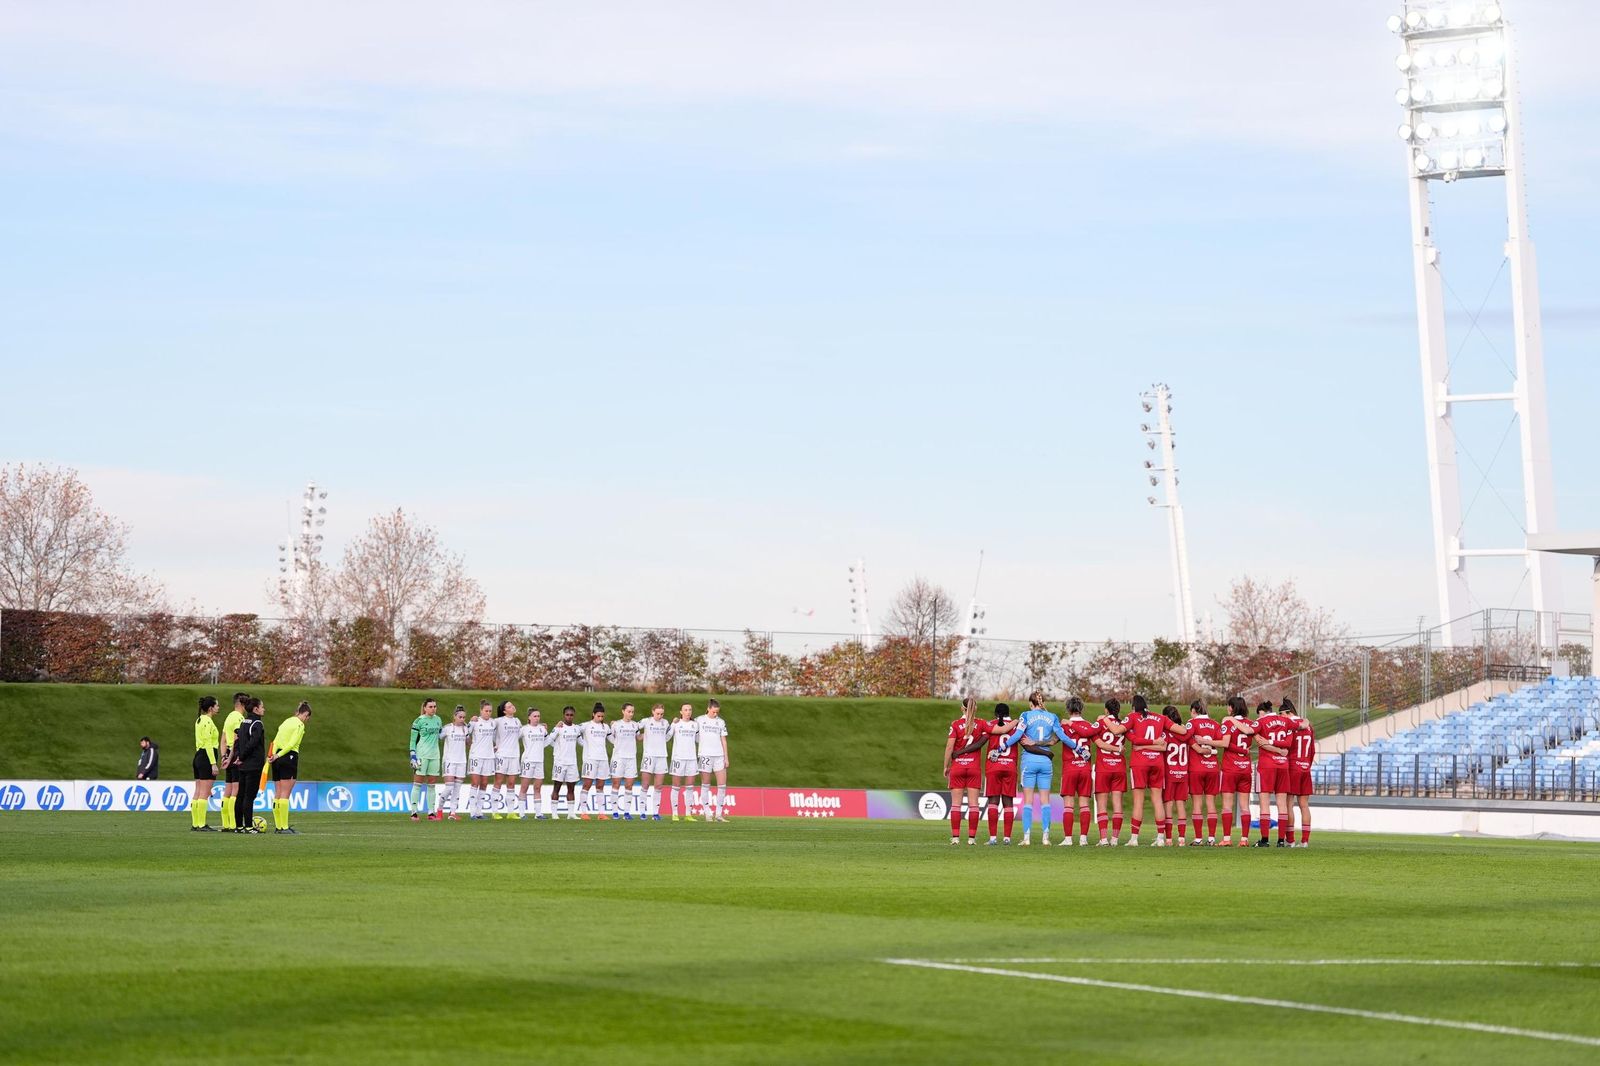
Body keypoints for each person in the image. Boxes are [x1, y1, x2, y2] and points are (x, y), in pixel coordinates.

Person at [998, 692, 1087, 846]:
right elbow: (1064, 737)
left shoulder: (1025, 715)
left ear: (1031, 703)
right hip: (1045, 762)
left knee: (1028, 801)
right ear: (1043, 702)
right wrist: (1079, 749)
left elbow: (1017, 735)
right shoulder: (1052, 717)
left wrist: (1001, 748)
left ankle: (1026, 838)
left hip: (1029, 761)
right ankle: (1046, 838)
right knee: (1045, 801)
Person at [1123, 695, 1169, 847]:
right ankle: (1161, 838)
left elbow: (1130, 737)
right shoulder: (1160, 718)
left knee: (1138, 801)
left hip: (1140, 763)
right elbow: (1166, 743)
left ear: (1133, 707)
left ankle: (1134, 839)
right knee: (1157, 800)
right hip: (1157, 762)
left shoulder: (1133, 718)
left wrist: (1143, 747)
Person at [1255, 698, 1297, 847]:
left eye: (1259, 714)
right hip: (1282, 765)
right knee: (1282, 804)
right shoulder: (1285, 721)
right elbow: (1299, 726)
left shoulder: (1260, 723)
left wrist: (1269, 743)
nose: (1258, 718)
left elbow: (1257, 739)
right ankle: (1280, 840)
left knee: (1264, 803)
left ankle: (1265, 840)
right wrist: (1280, 750)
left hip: (1266, 765)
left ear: (1263, 713)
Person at [942, 697, 985, 844]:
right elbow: (997, 730)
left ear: (962, 708)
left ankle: (955, 838)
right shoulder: (980, 724)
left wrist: (946, 766)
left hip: (958, 767)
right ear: (975, 708)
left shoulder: (956, 724)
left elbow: (949, 747)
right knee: (974, 804)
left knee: (956, 804)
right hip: (974, 768)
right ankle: (971, 839)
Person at [1217, 698, 1257, 846]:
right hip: (1245, 768)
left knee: (1227, 805)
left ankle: (1227, 839)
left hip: (1230, 768)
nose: (1227, 709)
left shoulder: (1228, 723)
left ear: (1232, 708)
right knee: (1245, 806)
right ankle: (1244, 839)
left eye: (1228, 706)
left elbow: (1226, 743)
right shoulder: (1250, 724)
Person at [1186, 698, 1224, 845]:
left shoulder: (1192, 722)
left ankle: (1198, 838)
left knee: (1197, 803)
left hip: (1196, 767)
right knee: (1210, 802)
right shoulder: (1215, 724)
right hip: (1213, 768)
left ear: (1194, 711)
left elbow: (1186, 737)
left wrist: (1199, 748)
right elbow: (1221, 743)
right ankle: (1212, 838)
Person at [268, 702, 310, 834]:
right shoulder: (299, 724)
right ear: (305, 714)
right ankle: (284, 827)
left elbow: (276, 740)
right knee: (285, 794)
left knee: (278, 793)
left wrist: (272, 756)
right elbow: (292, 744)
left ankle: (279, 826)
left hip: (276, 757)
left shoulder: (286, 722)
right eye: (307, 717)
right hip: (288, 756)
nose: (307, 720)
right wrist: (279, 755)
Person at [228, 697, 267, 834]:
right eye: (262, 707)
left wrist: (238, 757)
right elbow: (253, 743)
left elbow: (237, 740)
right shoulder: (257, 724)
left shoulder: (243, 722)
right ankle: (249, 827)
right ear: (256, 709)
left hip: (242, 764)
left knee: (240, 795)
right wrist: (242, 756)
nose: (264, 709)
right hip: (253, 764)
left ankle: (239, 826)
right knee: (249, 796)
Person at [981, 704, 1018, 845]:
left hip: (993, 767)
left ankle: (992, 838)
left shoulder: (991, 725)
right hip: (1010, 767)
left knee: (993, 803)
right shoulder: (1015, 726)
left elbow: (981, 741)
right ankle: (1007, 838)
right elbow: (1025, 743)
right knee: (1008, 803)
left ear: (996, 713)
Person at [1092, 699, 1128, 845]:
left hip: (1104, 767)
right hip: (1119, 767)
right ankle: (1114, 839)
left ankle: (1103, 839)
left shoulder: (1101, 723)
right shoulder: (1123, 725)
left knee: (1102, 803)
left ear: (1106, 710)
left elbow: (1091, 733)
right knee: (1117, 803)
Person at [1286, 702, 1316, 847]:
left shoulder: (1289, 725)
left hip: (1292, 767)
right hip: (1305, 768)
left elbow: (1286, 746)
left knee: (1288, 805)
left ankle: (1290, 840)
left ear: (1286, 712)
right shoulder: (1308, 726)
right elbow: (1312, 751)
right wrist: (1307, 765)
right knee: (1304, 805)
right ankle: (1305, 841)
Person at [695, 699, 730, 822]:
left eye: (717, 712)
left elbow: (724, 740)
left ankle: (719, 814)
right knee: (705, 784)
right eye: (714, 712)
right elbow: (693, 735)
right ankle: (707, 813)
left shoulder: (720, 722)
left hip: (719, 756)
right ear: (708, 708)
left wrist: (726, 757)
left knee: (722, 785)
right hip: (704, 756)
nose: (716, 714)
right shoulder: (699, 720)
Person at [1161, 706, 1191, 846]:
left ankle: (1168, 839)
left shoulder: (1166, 733)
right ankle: (1182, 838)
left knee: (1168, 806)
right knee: (1181, 806)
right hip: (1183, 773)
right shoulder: (1185, 733)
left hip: (1169, 773)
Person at [409, 698, 442, 823]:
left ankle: (431, 812)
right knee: (418, 783)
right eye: (431, 706)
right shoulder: (419, 721)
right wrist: (413, 755)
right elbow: (413, 741)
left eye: (435, 706)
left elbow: (439, 734)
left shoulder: (438, 720)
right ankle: (414, 812)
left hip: (435, 755)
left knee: (432, 784)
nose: (433, 708)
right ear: (425, 708)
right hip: (422, 755)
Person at [579, 703, 614, 821]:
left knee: (600, 786)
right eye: (598, 716)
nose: (600, 718)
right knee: (587, 784)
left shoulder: (606, 727)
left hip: (603, 759)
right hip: (590, 759)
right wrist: (582, 744)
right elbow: (573, 731)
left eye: (602, 716)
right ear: (593, 714)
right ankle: (583, 812)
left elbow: (613, 740)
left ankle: (601, 813)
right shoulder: (586, 726)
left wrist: (615, 728)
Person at [218, 693, 248, 831]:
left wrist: (224, 756)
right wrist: (233, 756)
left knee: (228, 791)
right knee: (236, 791)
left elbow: (223, 739)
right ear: (242, 704)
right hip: (236, 754)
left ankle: (226, 823)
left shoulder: (229, 716)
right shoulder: (239, 718)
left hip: (228, 754)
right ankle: (234, 823)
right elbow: (237, 738)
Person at [610, 703, 644, 819]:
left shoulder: (635, 725)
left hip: (631, 758)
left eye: (632, 712)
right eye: (629, 711)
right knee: (616, 784)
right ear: (623, 711)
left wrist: (650, 732)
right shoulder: (616, 725)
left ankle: (626, 812)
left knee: (629, 785)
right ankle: (614, 812)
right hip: (618, 758)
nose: (631, 714)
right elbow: (610, 737)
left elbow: (638, 738)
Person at [190, 699, 219, 831]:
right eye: (216, 705)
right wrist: (213, 763)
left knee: (198, 791)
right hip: (206, 756)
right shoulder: (207, 721)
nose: (218, 707)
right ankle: (201, 824)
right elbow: (208, 742)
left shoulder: (199, 720)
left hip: (198, 755)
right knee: (204, 792)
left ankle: (196, 823)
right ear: (210, 708)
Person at [548, 707, 582, 819]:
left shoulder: (576, 729)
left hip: (572, 762)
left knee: (571, 788)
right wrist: (557, 748)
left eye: (571, 715)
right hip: (560, 762)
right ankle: (554, 813)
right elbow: (549, 740)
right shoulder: (559, 728)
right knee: (557, 787)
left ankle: (571, 813)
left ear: (574, 715)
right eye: (567, 715)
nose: (569, 717)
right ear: (564, 715)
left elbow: (581, 742)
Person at [639, 703, 671, 820]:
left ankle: (656, 813)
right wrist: (641, 736)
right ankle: (642, 812)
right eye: (657, 713)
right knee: (645, 785)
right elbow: (634, 728)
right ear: (653, 712)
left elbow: (667, 735)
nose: (660, 716)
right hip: (649, 756)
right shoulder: (646, 721)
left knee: (658, 786)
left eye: (662, 714)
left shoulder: (665, 723)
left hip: (662, 757)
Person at [467, 701, 498, 820]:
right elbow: (466, 733)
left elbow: (496, 737)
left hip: (489, 756)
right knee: (475, 782)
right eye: (486, 711)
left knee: (484, 783)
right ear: (481, 711)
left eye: (490, 711)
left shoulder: (493, 723)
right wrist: (470, 722)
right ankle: (472, 812)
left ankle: (479, 812)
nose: (488, 713)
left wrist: (495, 746)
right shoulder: (475, 722)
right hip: (476, 756)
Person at [668, 704, 699, 821]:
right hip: (678, 758)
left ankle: (688, 814)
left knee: (690, 787)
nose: (688, 712)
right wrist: (672, 724)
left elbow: (698, 740)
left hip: (691, 759)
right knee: (676, 786)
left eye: (690, 710)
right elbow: (667, 737)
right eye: (685, 710)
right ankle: (675, 813)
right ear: (681, 712)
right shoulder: (676, 724)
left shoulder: (695, 725)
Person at [439, 706, 470, 820]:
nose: (462, 719)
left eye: (464, 717)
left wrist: (467, 735)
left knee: (457, 789)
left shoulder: (465, 729)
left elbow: (468, 744)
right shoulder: (447, 728)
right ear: (454, 717)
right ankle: (439, 810)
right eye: (460, 717)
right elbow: (438, 737)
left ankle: (452, 813)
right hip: (449, 761)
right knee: (449, 788)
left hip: (461, 761)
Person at [517, 708, 549, 820]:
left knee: (537, 787)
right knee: (524, 787)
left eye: (538, 716)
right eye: (534, 716)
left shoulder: (542, 729)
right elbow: (513, 740)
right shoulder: (524, 729)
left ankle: (538, 813)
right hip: (528, 761)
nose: (537, 718)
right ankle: (521, 813)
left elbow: (546, 741)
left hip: (539, 761)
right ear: (529, 717)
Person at [493, 700, 522, 819]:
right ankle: (495, 812)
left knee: (511, 783)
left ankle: (510, 812)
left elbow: (519, 736)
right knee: (498, 782)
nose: (512, 706)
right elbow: (489, 732)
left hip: (514, 755)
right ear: (504, 710)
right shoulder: (498, 721)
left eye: (512, 704)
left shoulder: (517, 721)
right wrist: (495, 745)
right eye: (509, 706)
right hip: (502, 755)